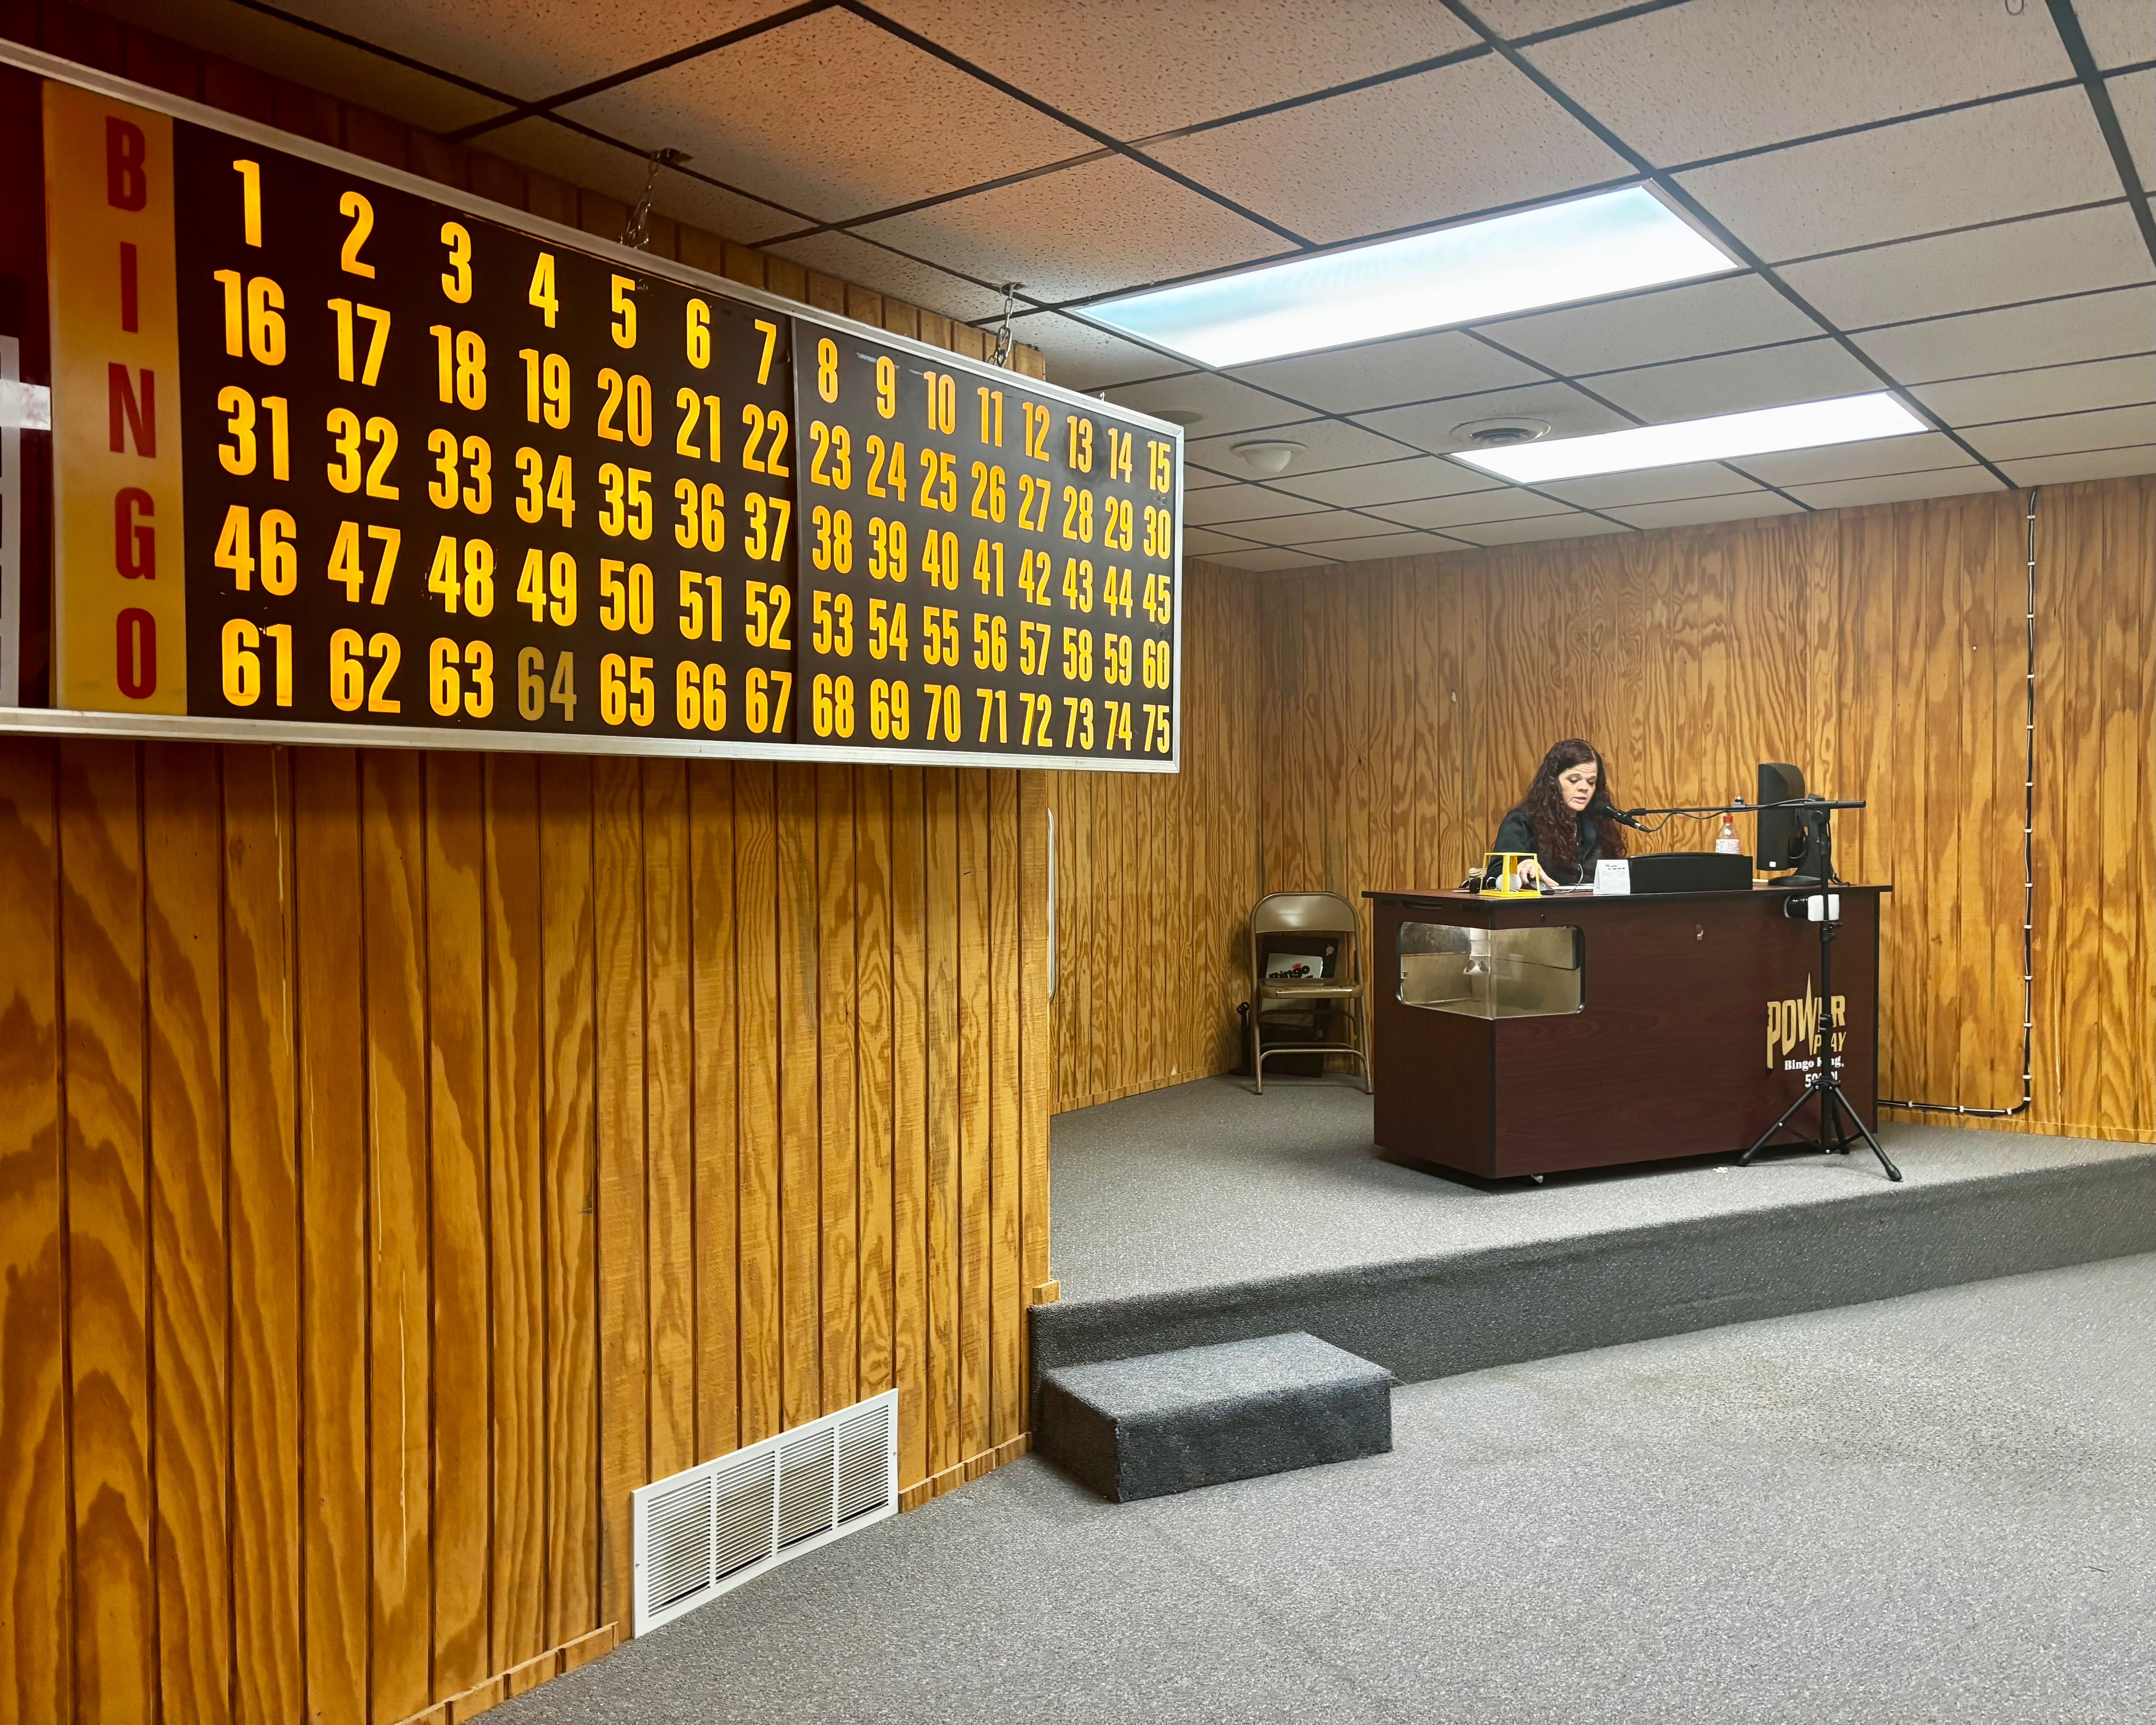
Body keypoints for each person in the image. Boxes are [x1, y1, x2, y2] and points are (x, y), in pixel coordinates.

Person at [1490, 739, 1628, 888]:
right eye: (1574, 780)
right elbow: (1494, 876)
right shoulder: (1522, 821)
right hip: (1542, 909)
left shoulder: (1598, 821)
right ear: (1553, 782)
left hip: (1594, 908)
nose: (1584, 788)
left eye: (1591, 782)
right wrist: (1521, 868)